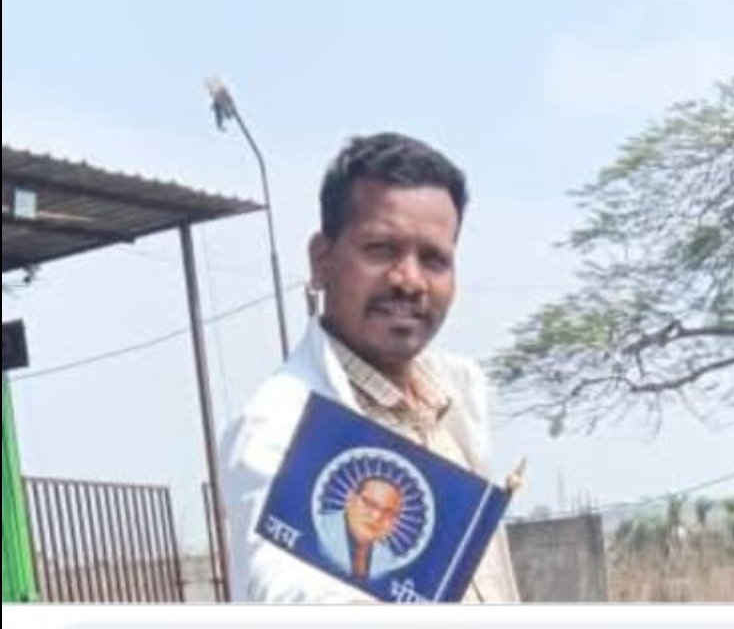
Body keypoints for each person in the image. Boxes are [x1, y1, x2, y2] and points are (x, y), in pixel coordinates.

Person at [221, 132, 520, 602]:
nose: (409, 280)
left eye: (434, 259)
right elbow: (282, 587)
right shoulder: (284, 424)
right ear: (322, 260)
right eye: (381, 250)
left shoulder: (449, 397)